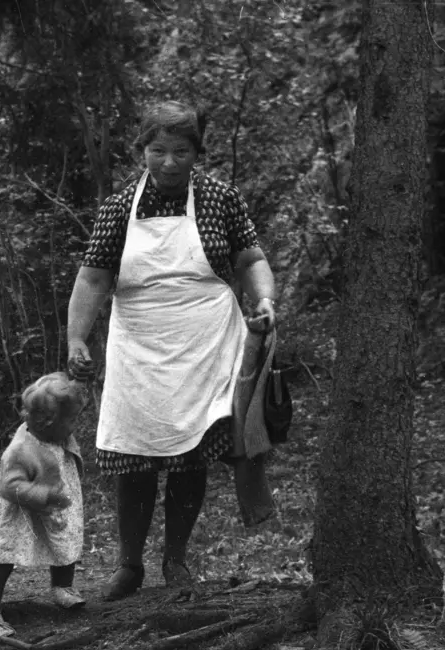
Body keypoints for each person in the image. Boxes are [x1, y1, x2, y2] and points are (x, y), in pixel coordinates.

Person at [66, 100, 278, 601]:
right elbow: (94, 278)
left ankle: (176, 560)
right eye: (157, 150)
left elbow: (251, 259)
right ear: (142, 150)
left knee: (192, 454)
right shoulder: (120, 207)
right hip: (137, 347)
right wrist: (76, 337)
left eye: (180, 151)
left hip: (205, 343)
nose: (168, 162)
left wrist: (265, 299)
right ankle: (129, 565)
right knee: (133, 455)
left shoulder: (219, 198)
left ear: (196, 152)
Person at [0, 372, 88, 637]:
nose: (75, 425)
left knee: (64, 540)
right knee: (2, 558)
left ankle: (62, 587)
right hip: (20, 511)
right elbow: (9, 486)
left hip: (54, 505)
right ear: (47, 421)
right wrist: (44, 495)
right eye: (72, 419)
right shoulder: (21, 448)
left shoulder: (56, 434)